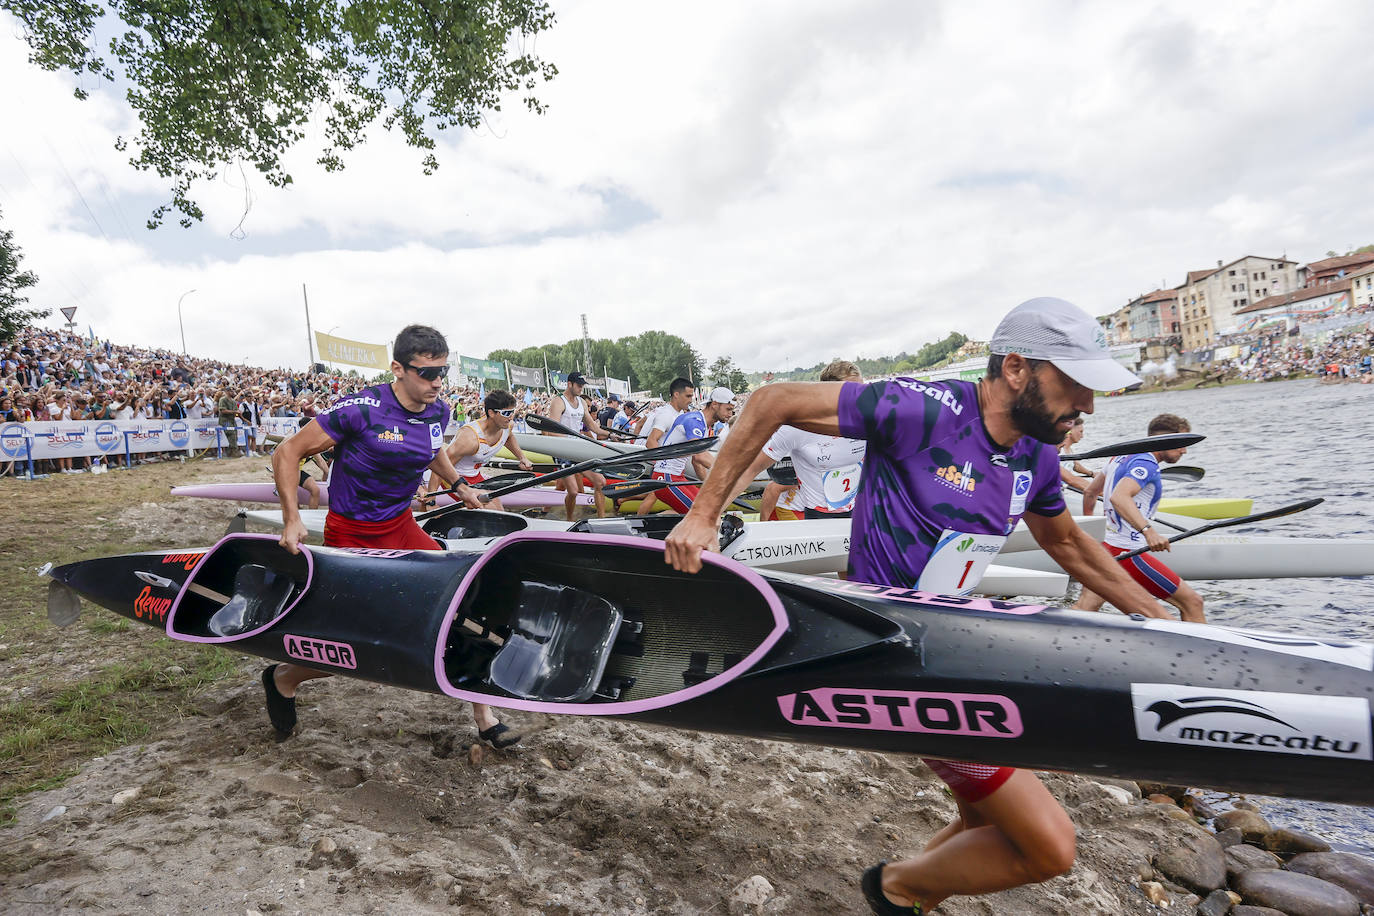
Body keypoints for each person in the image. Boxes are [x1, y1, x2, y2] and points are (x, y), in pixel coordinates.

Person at [666, 297, 1174, 915]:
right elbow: (773, 402)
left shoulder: (1036, 452)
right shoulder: (922, 409)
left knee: (987, 827)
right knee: (1049, 848)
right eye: (1075, 386)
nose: (1088, 406)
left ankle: (909, 899)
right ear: (1016, 368)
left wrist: (1157, 617)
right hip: (894, 657)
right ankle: (894, 891)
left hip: (953, 646)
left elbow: (1065, 541)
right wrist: (703, 515)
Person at [268, 325, 519, 749]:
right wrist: (292, 518)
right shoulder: (361, 409)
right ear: (398, 369)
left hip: (401, 526)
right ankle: (284, 677)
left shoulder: (438, 409)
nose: (437, 383)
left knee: (463, 602)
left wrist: (458, 486)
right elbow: (287, 452)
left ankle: (484, 714)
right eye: (427, 374)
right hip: (352, 533)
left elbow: (433, 447)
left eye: (442, 372)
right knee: (358, 645)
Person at [1074, 414, 1205, 623]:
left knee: (1085, 609)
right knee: (1192, 602)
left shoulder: (1119, 457)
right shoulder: (1147, 463)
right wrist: (1149, 531)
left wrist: (1091, 533)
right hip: (1127, 552)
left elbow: (1090, 492)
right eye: (1181, 443)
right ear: (1165, 439)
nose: (1184, 450)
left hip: (1105, 548)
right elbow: (1119, 497)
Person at [724, 360, 866, 519]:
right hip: (819, 517)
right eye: (851, 391)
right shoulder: (799, 427)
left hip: (860, 512)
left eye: (862, 389)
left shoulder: (866, 420)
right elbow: (749, 470)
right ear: (828, 392)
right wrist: (709, 515)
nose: (859, 397)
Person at [439, 388, 533, 512]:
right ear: (492, 413)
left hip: (475, 475)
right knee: (491, 509)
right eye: (506, 413)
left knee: (498, 506)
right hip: (454, 478)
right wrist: (431, 500)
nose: (511, 417)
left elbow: (509, 437)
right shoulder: (470, 438)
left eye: (512, 412)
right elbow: (441, 465)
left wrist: (522, 457)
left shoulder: (507, 426)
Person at [643, 387, 735, 513]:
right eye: (728, 409)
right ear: (714, 404)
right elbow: (700, 456)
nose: (730, 414)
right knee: (701, 514)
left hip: (676, 476)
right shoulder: (694, 420)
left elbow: (696, 462)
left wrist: (709, 485)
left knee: (709, 508)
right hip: (666, 477)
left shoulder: (704, 426)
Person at [546, 372, 610, 519]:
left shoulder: (581, 402)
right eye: (579, 385)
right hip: (561, 451)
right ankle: (569, 519)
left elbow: (593, 427)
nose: (581, 388)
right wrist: (572, 440)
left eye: (582, 385)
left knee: (600, 482)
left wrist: (610, 435)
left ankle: (601, 519)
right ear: (570, 384)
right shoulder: (559, 402)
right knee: (573, 491)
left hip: (576, 450)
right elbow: (552, 431)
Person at [635, 378, 695, 516]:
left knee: (652, 497)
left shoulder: (679, 414)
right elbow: (651, 442)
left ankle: (642, 522)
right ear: (676, 395)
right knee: (652, 498)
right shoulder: (666, 415)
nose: (691, 400)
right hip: (665, 472)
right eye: (688, 396)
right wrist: (663, 464)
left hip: (674, 472)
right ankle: (638, 525)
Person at [1057, 417, 1093, 491]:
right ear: (1070, 431)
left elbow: (1076, 465)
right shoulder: (1057, 450)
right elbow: (1071, 479)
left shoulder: (1069, 450)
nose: (1082, 436)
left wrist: (1091, 473)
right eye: (1081, 432)